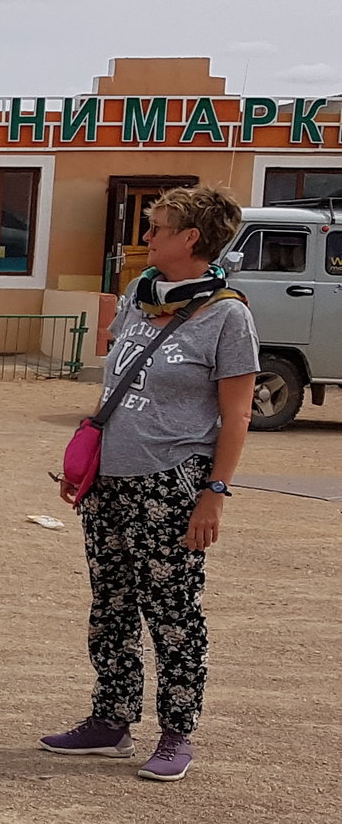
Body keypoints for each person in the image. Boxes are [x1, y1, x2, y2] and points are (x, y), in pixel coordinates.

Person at [41, 185, 257, 782]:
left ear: (192, 239)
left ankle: (176, 732)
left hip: (170, 483)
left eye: (158, 228)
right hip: (111, 480)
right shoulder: (141, 294)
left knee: (173, 612)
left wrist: (214, 493)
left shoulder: (228, 314)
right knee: (110, 605)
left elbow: (236, 416)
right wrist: (89, 459)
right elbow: (116, 384)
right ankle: (110, 721)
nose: (147, 238)